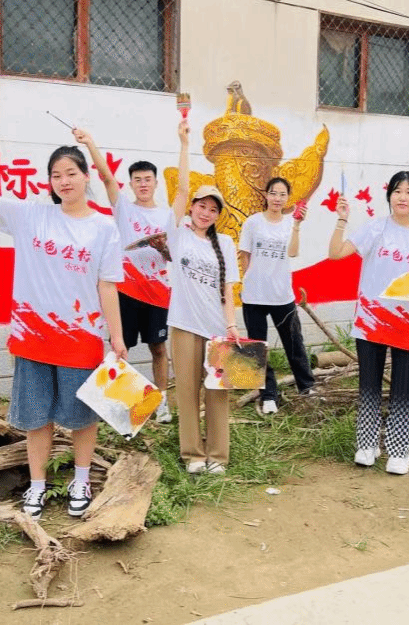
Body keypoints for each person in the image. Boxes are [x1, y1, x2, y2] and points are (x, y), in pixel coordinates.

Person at [0, 124, 126, 520]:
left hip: (82, 339)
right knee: (37, 417)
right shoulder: (32, 216)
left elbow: (108, 286)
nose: (64, 181)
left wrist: (117, 339)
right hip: (33, 338)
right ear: (50, 181)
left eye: (71, 173)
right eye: (56, 175)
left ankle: (81, 480)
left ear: (85, 177)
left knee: (83, 417)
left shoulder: (104, 227)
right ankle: (37, 485)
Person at [328, 171, 409, 475]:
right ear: (389, 195)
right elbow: (336, 253)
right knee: (369, 385)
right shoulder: (375, 227)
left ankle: (399, 450)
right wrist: (341, 220)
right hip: (371, 320)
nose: (403, 197)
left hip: (408, 321)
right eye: (397, 191)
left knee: (406, 388)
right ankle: (367, 445)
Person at [79, 129, 172, 423]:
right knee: (121, 347)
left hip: (158, 294)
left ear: (156, 183)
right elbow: (107, 178)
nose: (143, 184)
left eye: (148, 179)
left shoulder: (167, 216)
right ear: (131, 184)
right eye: (138, 179)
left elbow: (173, 256)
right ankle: (123, 407)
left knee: (159, 347)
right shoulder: (124, 208)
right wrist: (90, 143)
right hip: (126, 292)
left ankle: (162, 401)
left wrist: (163, 248)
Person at [167, 119, 240, 474]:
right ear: (192, 206)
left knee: (217, 393)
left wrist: (232, 326)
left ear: (217, 215)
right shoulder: (177, 233)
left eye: (213, 209)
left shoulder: (225, 243)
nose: (205, 212)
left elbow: (228, 289)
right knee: (186, 392)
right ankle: (193, 455)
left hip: (216, 330)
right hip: (183, 325)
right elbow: (181, 189)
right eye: (201, 206)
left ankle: (218, 456)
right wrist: (184, 145)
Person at [238, 178, 315, 414]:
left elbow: (292, 252)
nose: (277, 198)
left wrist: (297, 225)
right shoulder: (253, 222)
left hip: (282, 295)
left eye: (282, 194)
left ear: (288, 198)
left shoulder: (291, 223)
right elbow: (244, 255)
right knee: (257, 347)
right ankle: (269, 395)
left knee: (294, 343)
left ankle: (307, 387)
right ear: (266, 195)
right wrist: (248, 281)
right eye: (273, 193)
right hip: (254, 296)